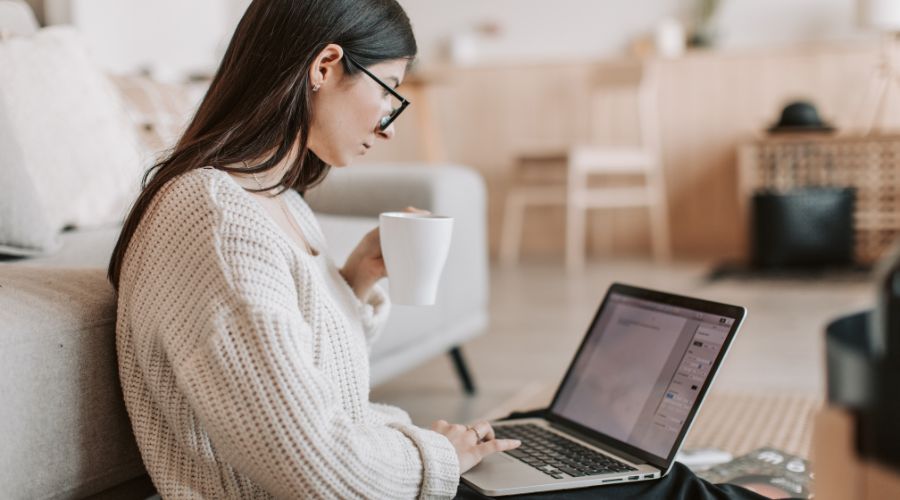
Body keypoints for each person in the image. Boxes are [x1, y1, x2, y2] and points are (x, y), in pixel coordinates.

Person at [107, 0, 519, 498]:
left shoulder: (280, 203)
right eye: (388, 90)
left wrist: (351, 283)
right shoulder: (215, 219)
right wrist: (437, 455)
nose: (388, 126)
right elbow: (316, 467)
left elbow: (319, 393)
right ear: (324, 66)